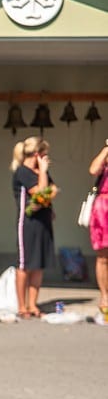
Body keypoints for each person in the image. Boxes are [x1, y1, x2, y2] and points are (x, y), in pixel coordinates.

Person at [11, 136, 57, 318]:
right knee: (25, 264)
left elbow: (52, 191)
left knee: (38, 264)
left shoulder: (40, 172)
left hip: (43, 221)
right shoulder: (23, 172)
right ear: (37, 154)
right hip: (28, 223)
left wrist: (47, 194)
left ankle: (33, 304)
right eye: (44, 155)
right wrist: (43, 173)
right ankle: (22, 305)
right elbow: (40, 193)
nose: (46, 159)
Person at [88, 139, 108, 324]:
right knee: (102, 256)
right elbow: (93, 170)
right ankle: (104, 296)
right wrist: (106, 149)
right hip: (103, 208)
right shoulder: (106, 158)